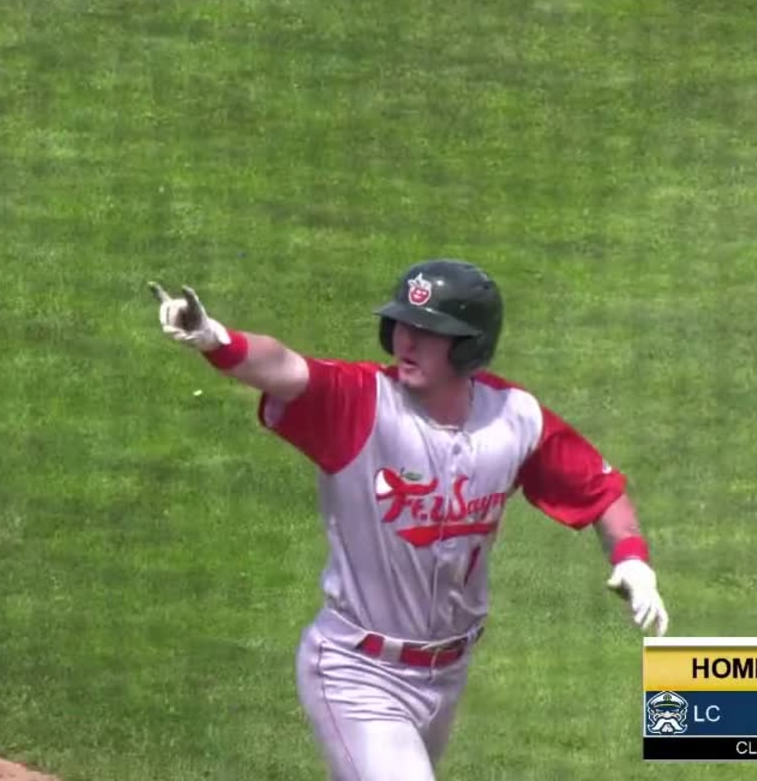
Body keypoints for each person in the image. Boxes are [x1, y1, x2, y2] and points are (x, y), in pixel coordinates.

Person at [148, 259, 670, 781]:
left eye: (428, 332)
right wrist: (214, 338)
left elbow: (601, 490)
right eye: (402, 324)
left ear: (469, 344)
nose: (406, 342)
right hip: (355, 673)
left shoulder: (514, 418)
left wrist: (632, 560)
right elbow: (283, 366)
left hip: (447, 677)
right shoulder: (359, 403)